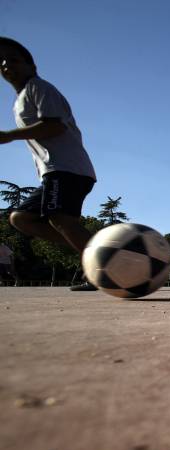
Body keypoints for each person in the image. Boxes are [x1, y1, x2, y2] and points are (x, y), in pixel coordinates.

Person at [0, 37, 97, 291]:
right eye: (2, 62)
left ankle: (101, 266)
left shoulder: (39, 88)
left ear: (32, 66)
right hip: (54, 171)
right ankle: (98, 247)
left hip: (66, 168)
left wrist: (8, 136)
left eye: (14, 60)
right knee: (21, 218)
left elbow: (53, 125)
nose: (6, 65)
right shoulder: (20, 99)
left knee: (60, 219)